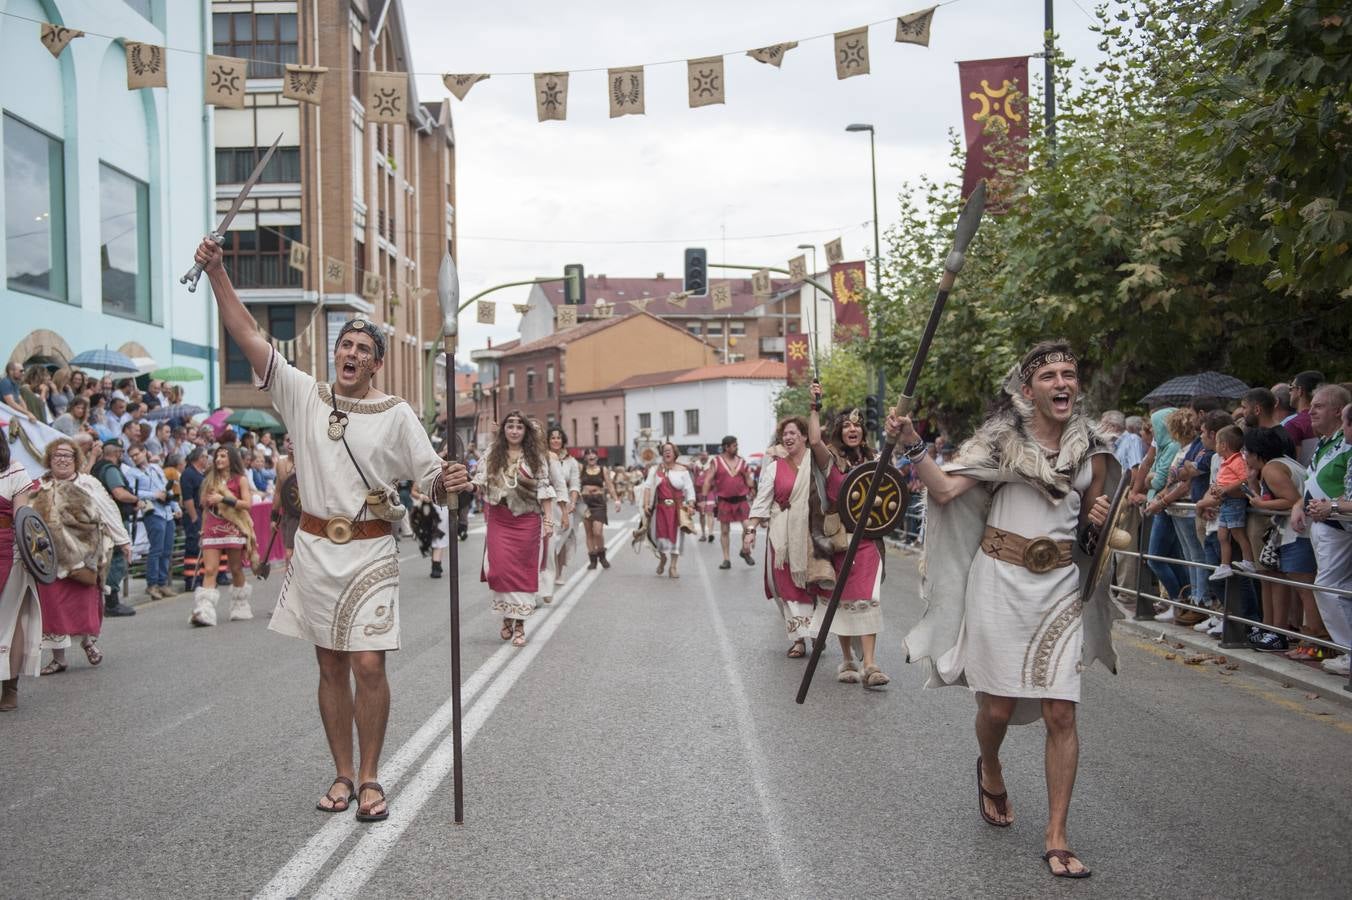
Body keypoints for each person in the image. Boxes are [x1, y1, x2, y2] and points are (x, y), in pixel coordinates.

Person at [197, 237, 469, 823]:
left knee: (369, 664)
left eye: (360, 348)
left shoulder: (397, 413)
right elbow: (248, 334)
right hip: (316, 549)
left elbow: (430, 482)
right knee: (330, 667)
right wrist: (218, 273)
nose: (349, 353)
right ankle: (342, 773)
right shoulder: (303, 394)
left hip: (370, 548)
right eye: (343, 345)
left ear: (375, 362)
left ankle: (371, 777)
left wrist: (451, 478)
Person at [898, 340, 1116, 880]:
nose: (1062, 383)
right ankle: (990, 766)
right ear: (1028, 390)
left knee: (1060, 711)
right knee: (995, 709)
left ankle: (1057, 835)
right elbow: (946, 490)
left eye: (1069, 374)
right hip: (998, 581)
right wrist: (911, 445)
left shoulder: (1093, 453)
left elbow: (1091, 528)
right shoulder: (999, 443)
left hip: (1059, 588)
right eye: (1050, 376)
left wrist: (1102, 517)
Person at [806, 384, 888, 686]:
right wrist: (814, 406)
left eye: (857, 425)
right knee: (840, 602)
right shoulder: (830, 462)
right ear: (839, 432)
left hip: (867, 540)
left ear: (863, 433)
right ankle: (847, 660)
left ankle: (871, 665)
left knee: (868, 598)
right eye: (847, 425)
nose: (852, 429)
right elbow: (813, 439)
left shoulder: (876, 461)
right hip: (838, 540)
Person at [31, 438, 131, 676]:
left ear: (76, 459)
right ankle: (59, 658)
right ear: (49, 459)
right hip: (51, 558)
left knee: (84, 601)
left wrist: (123, 541)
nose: (62, 460)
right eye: (57, 455)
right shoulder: (40, 486)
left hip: (85, 555)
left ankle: (88, 642)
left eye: (68, 455)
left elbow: (108, 510)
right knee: (53, 604)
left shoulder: (88, 483)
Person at [744, 418, 823, 658]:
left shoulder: (817, 463)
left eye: (792, 433)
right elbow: (761, 503)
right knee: (787, 589)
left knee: (814, 586)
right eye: (784, 434)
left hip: (813, 534)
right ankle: (798, 639)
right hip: (782, 537)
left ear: (805, 436)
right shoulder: (774, 468)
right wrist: (750, 531)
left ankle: (816, 632)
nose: (787, 438)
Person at [474, 411, 554, 647]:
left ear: (525, 431)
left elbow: (545, 488)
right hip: (500, 517)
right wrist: (468, 486)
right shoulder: (492, 454)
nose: (515, 430)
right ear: (504, 430)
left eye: (520, 427)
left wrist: (548, 521)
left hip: (527, 520)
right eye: (510, 426)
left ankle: (518, 624)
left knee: (522, 572)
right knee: (498, 570)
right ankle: (508, 614)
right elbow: (479, 479)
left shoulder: (535, 457)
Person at [1240, 427, 1323, 654]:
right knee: (1300, 586)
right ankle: (1304, 638)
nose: (1244, 456)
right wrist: (1253, 484)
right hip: (1298, 531)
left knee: (1303, 587)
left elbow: (1293, 500)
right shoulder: (1281, 463)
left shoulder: (1272, 468)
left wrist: (1261, 505)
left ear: (1257, 452)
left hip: (1299, 532)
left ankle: (1312, 643)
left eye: (1246, 451)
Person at [1292, 384, 1352, 666]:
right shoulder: (1325, 442)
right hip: (1322, 524)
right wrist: (1298, 504)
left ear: (1338, 411)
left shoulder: (1346, 441)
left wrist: (1333, 506)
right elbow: (1312, 480)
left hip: (1338, 525)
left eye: (1318, 406)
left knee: (1328, 586)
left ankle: (1348, 651)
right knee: (1332, 587)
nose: (1310, 411)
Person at [0, 429, 41, 710]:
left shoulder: (14, 471)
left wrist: (28, 554)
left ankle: (10, 688)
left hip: (9, 551)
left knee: (10, 620)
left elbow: (21, 517)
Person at [193, 446, 256, 625]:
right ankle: (204, 611)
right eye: (217, 456)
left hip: (233, 528)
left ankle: (240, 605)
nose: (218, 459)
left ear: (232, 459)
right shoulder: (209, 480)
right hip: (212, 528)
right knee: (210, 569)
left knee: (235, 569)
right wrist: (203, 530)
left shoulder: (240, 480)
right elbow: (205, 508)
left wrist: (223, 499)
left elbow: (247, 504)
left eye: (223, 456)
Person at [88, 441, 138, 616]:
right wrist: (136, 499)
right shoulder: (110, 469)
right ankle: (112, 602)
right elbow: (119, 493)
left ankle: (106, 601)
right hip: (113, 519)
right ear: (117, 453)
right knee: (117, 558)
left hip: (99, 520)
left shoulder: (96, 468)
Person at [1199, 426, 1255, 581]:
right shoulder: (1225, 462)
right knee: (1222, 535)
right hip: (1225, 502)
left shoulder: (1238, 460)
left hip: (1234, 502)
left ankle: (1249, 560)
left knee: (1237, 532)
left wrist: (1225, 489)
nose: (1215, 446)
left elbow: (1244, 480)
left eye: (1217, 443)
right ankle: (1225, 565)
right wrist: (1217, 489)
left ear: (1224, 445)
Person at [126, 443, 180, 600]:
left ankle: (163, 583)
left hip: (166, 511)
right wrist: (153, 495)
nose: (135, 458)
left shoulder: (155, 468)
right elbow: (133, 492)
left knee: (167, 549)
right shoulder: (132, 473)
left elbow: (166, 487)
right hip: (152, 511)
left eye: (137, 454)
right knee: (156, 549)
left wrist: (175, 505)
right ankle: (152, 584)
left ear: (145, 452)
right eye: (132, 456)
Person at [704, 434, 756, 569]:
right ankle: (726, 559)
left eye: (737, 445)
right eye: (734, 446)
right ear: (726, 447)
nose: (737, 448)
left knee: (748, 527)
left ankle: (745, 551)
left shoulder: (742, 462)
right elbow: (708, 479)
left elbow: (748, 479)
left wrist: (754, 491)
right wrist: (704, 498)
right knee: (725, 531)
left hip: (741, 500)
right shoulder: (716, 462)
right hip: (724, 501)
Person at [542, 426, 580, 601]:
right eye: (552, 438)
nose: (555, 441)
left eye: (558, 438)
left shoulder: (571, 461)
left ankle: (559, 571)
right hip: (547, 503)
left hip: (565, 505)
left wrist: (571, 503)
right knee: (549, 541)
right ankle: (548, 575)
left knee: (562, 540)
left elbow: (574, 484)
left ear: (563, 440)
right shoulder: (543, 458)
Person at [578, 447, 621, 568]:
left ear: (597, 457)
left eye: (593, 454)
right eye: (588, 454)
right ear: (585, 457)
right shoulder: (581, 469)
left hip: (598, 503)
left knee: (597, 531)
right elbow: (575, 484)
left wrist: (616, 500)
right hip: (585, 503)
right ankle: (592, 560)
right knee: (589, 532)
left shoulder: (603, 470)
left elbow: (610, 486)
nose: (591, 456)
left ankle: (601, 554)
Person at [179, 448, 209, 592]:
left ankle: (201, 576)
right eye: (205, 456)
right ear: (198, 458)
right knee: (193, 546)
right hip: (194, 513)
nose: (207, 459)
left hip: (202, 513)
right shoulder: (188, 474)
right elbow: (188, 498)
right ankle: (191, 579)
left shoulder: (201, 474)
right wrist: (194, 517)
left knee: (201, 546)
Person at [689, 449, 714, 541]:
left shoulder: (712, 465)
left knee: (710, 512)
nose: (704, 457)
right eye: (702, 455)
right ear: (699, 456)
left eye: (705, 455)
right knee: (702, 514)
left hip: (710, 492)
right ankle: (703, 534)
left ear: (708, 456)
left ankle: (711, 533)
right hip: (699, 493)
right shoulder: (695, 466)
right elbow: (687, 469)